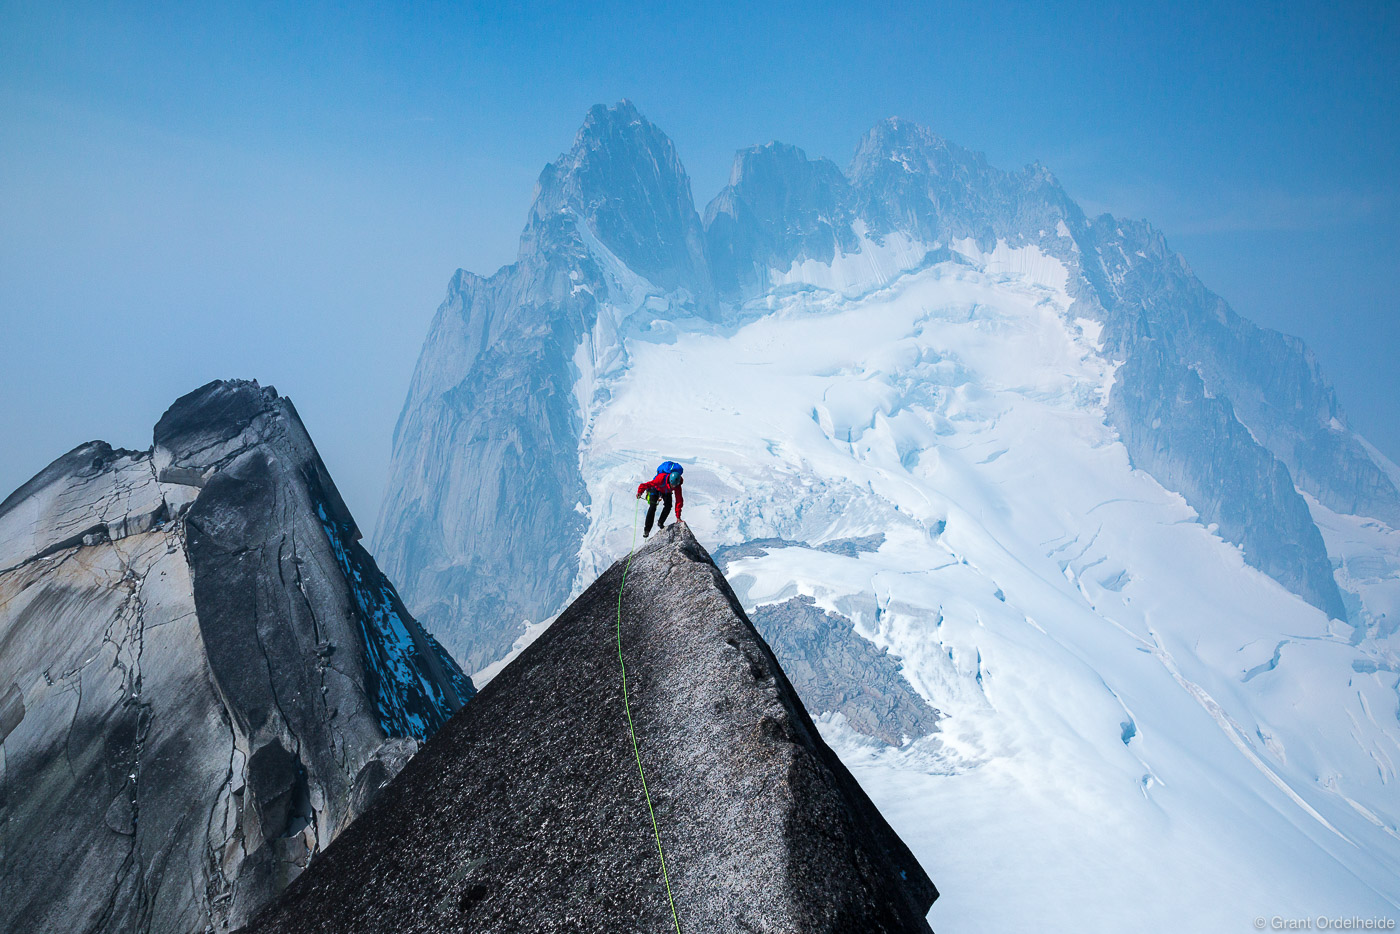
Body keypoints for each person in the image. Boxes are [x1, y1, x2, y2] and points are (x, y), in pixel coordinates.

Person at [636, 461, 684, 537]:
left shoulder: (678, 485)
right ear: (669, 481)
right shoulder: (660, 479)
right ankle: (647, 530)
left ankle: (660, 523)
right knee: (652, 507)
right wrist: (640, 492)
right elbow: (645, 485)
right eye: (673, 485)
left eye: (675, 486)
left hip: (666, 491)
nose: (674, 487)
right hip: (655, 488)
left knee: (668, 506)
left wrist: (678, 517)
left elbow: (679, 500)